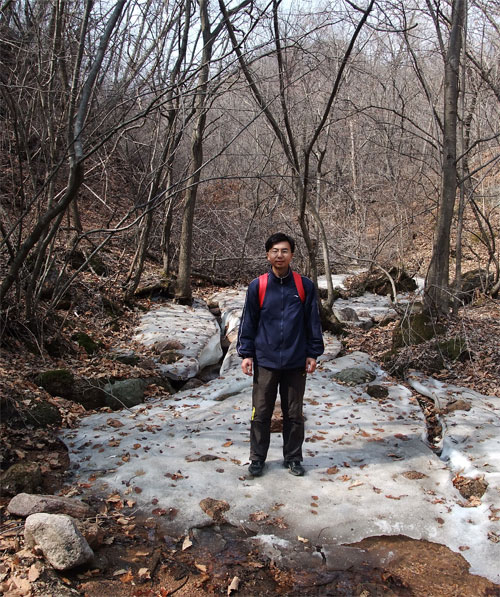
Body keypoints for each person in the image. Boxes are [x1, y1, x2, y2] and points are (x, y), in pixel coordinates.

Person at [237, 232, 324, 477]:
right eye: (275, 251)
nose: (279, 255)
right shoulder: (258, 286)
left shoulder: (304, 286)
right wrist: (246, 354)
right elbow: (248, 321)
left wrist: (313, 353)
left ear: (292, 255)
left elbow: (313, 322)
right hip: (265, 360)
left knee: (294, 414)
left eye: (284, 251)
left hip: (296, 361)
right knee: (260, 412)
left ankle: (293, 458)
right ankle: (257, 459)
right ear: (268, 255)